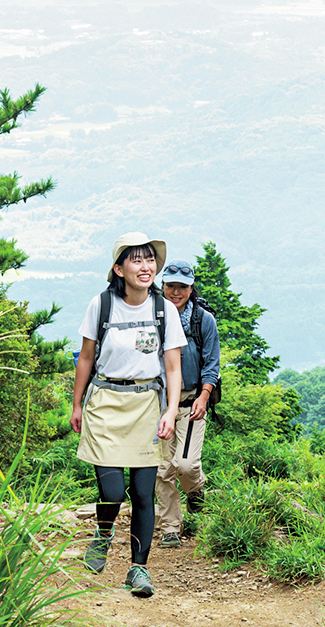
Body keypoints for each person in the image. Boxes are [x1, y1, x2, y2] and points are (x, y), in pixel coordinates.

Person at [71, 231, 186, 598]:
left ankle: (138, 569)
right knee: (113, 489)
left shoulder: (163, 309)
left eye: (150, 259)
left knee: (141, 493)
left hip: (146, 405)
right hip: (105, 401)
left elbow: (172, 366)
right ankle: (104, 533)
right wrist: (77, 404)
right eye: (136, 259)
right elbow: (86, 358)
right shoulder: (101, 305)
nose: (145, 266)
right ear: (119, 268)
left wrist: (170, 411)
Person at [154, 258, 220, 548]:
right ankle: (170, 527)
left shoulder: (203, 320)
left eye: (182, 287)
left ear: (191, 288)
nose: (175, 292)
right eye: (170, 286)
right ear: (163, 286)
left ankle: (196, 489)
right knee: (162, 468)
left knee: (186, 465)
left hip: (192, 400)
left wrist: (205, 397)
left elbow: (212, 365)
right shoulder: (154, 316)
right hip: (159, 402)